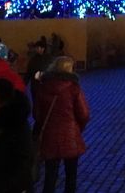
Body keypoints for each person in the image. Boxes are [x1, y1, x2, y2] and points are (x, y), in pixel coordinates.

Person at [34, 55, 90, 193]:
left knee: (50, 176)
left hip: (50, 136)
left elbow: (37, 115)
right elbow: (84, 114)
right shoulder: (74, 88)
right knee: (71, 176)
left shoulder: (43, 87)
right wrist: (77, 128)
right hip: (70, 135)